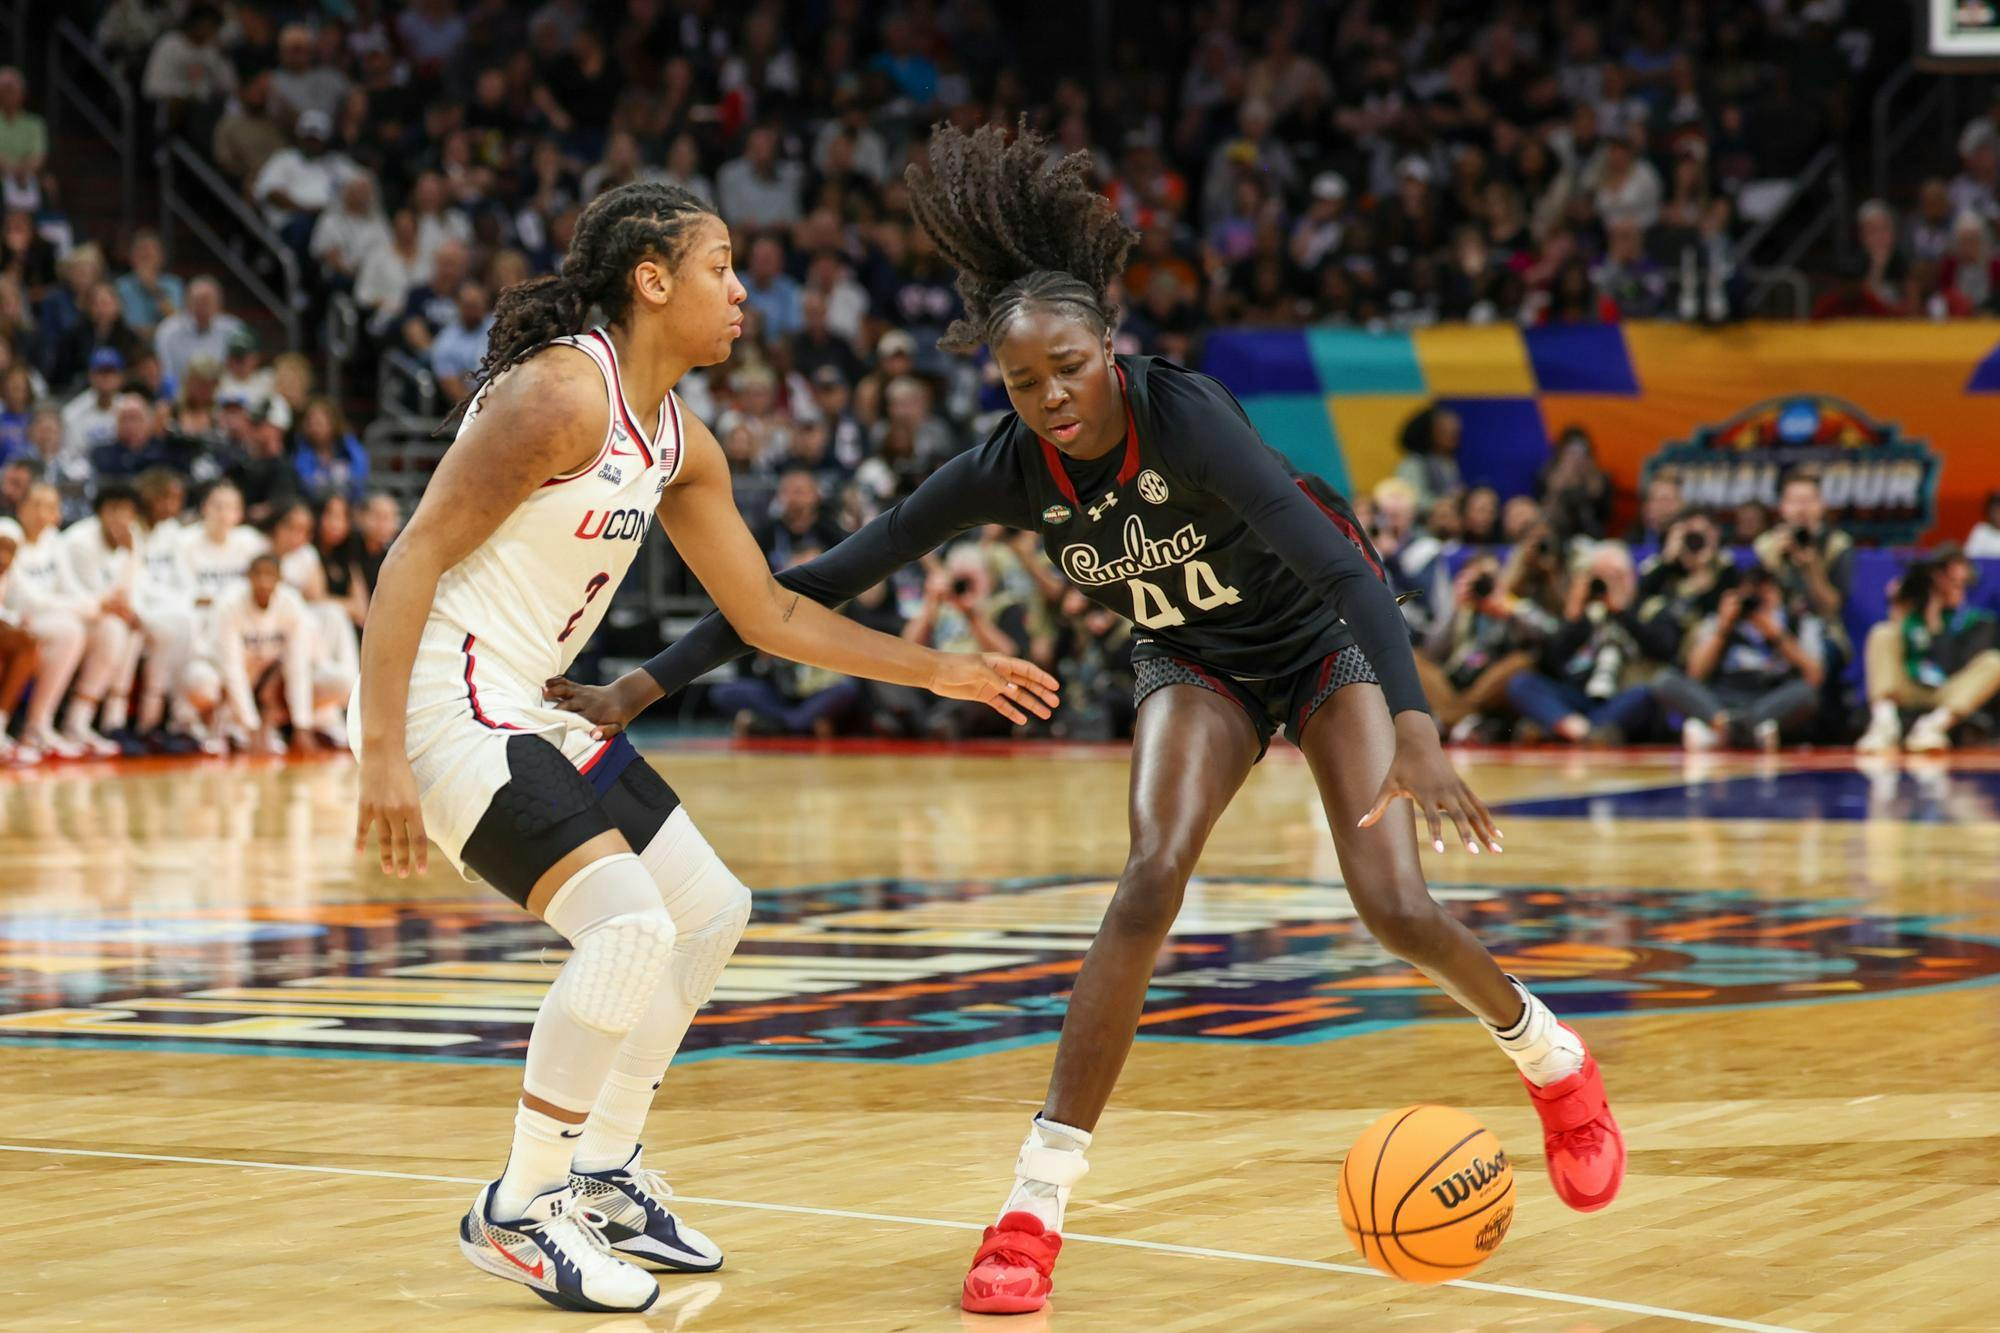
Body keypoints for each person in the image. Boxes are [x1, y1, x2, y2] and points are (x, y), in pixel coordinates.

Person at [544, 126, 1623, 1315]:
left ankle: (1551, 1060)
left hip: (1321, 640)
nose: (1049, 396)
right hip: (1194, 657)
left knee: (1392, 906)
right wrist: (642, 686)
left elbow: (1339, 566)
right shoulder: (1009, 467)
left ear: (1109, 348)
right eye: (1023, 382)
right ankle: (1032, 1207)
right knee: (1149, 873)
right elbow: (818, 579)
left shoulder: (1186, 418)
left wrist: (1414, 721)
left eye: (1066, 368)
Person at [348, 181, 1057, 1314]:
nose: (740, 293)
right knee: (626, 927)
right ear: (651, 279)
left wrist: (941, 669)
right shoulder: (558, 394)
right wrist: (384, 751)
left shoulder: (679, 439)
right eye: (720, 267)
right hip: (447, 697)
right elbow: (412, 555)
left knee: (709, 908)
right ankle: (520, 1206)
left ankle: (602, 1168)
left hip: (530, 702)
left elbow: (767, 612)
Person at [1649, 563, 1824, 752]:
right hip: (1720, 698)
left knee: (1807, 694)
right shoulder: (1721, 621)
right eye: (1752, 596)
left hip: (1767, 699)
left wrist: (1776, 635)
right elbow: (1695, 673)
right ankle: (1739, 730)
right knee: (1665, 680)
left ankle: (1723, 732)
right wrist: (1723, 628)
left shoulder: (1795, 622)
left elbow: (1815, 676)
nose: (1757, 602)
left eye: (1765, 594)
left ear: (1779, 594)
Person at [1856, 547, 2000, 754]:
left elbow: (1950, 665)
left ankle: (1932, 728)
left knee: (1994, 662)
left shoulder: (1978, 622)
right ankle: (1884, 725)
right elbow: (1893, 658)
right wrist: (1900, 611)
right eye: (1949, 582)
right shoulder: (1913, 617)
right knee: (1883, 633)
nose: (1953, 589)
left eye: (1960, 584)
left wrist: (1935, 625)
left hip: (1947, 692)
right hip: (1909, 687)